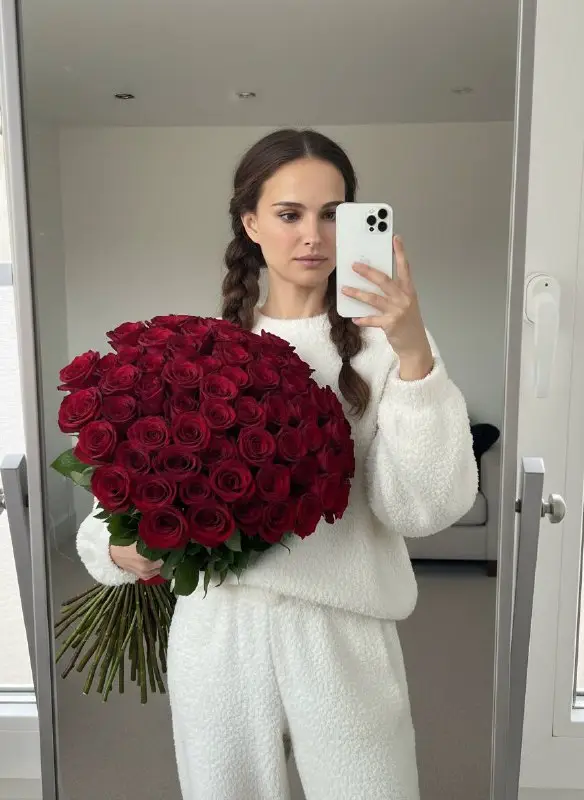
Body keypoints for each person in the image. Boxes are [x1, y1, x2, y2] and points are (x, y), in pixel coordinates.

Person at [76, 128, 478, 800]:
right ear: (251, 223)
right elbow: (113, 507)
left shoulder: (391, 346)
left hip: (344, 633)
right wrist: (122, 549)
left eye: (332, 214)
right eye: (290, 214)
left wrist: (414, 355)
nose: (312, 236)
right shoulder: (199, 351)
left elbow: (422, 508)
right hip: (220, 631)